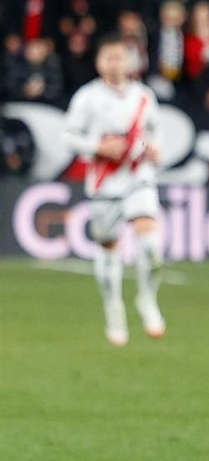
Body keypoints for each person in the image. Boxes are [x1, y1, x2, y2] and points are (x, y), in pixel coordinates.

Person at [60, 40, 165, 346]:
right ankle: (113, 307)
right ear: (99, 63)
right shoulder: (88, 97)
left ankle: (147, 300)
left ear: (130, 63)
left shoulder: (144, 96)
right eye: (109, 57)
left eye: (120, 57)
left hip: (138, 176)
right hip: (105, 181)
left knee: (150, 247)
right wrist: (98, 147)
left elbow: (156, 132)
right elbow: (68, 136)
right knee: (109, 247)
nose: (115, 63)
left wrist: (157, 151)